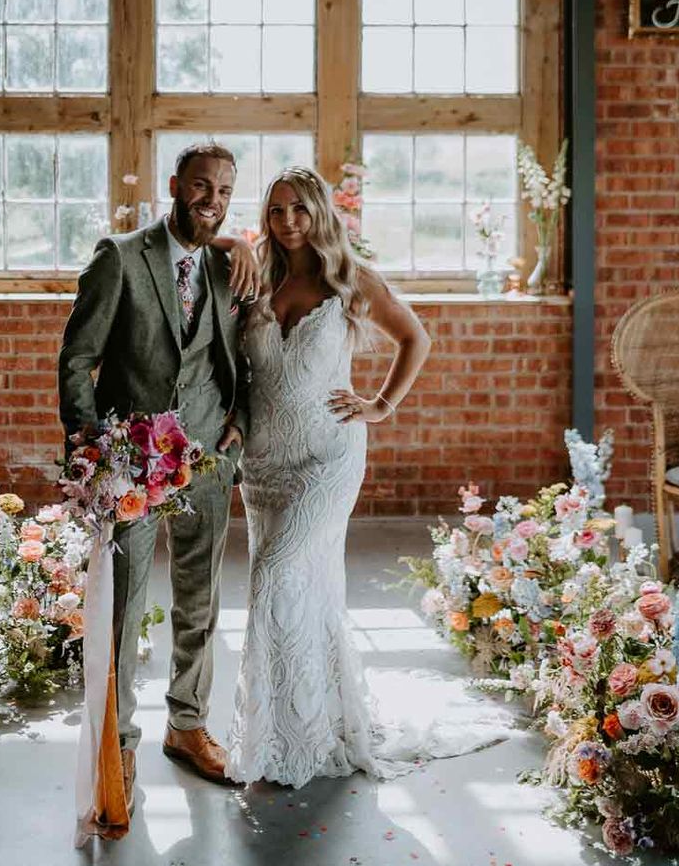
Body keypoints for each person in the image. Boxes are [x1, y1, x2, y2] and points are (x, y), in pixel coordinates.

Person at [222, 165, 434, 788]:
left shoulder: (350, 281)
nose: (288, 221)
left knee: (274, 575)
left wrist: (381, 404)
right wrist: (233, 242)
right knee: (301, 591)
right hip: (263, 465)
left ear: (319, 213)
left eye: (300, 209)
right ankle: (306, 725)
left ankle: (280, 740)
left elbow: (414, 338)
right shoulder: (254, 277)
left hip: (328, 456)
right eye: (277, 210)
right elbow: (239, 372)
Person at [58, 142, 252, 812]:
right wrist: (91, 447)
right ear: (175, 186)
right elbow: (78, 355)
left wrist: (241, 424)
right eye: (202, 187)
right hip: (131, 464)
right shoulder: (120, 257)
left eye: (225, 191)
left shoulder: (231, 265)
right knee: (124, 604)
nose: (213, 201)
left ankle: (188, 725)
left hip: (205, 462)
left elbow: (255, 355)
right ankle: (120, 744)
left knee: (200, 599)